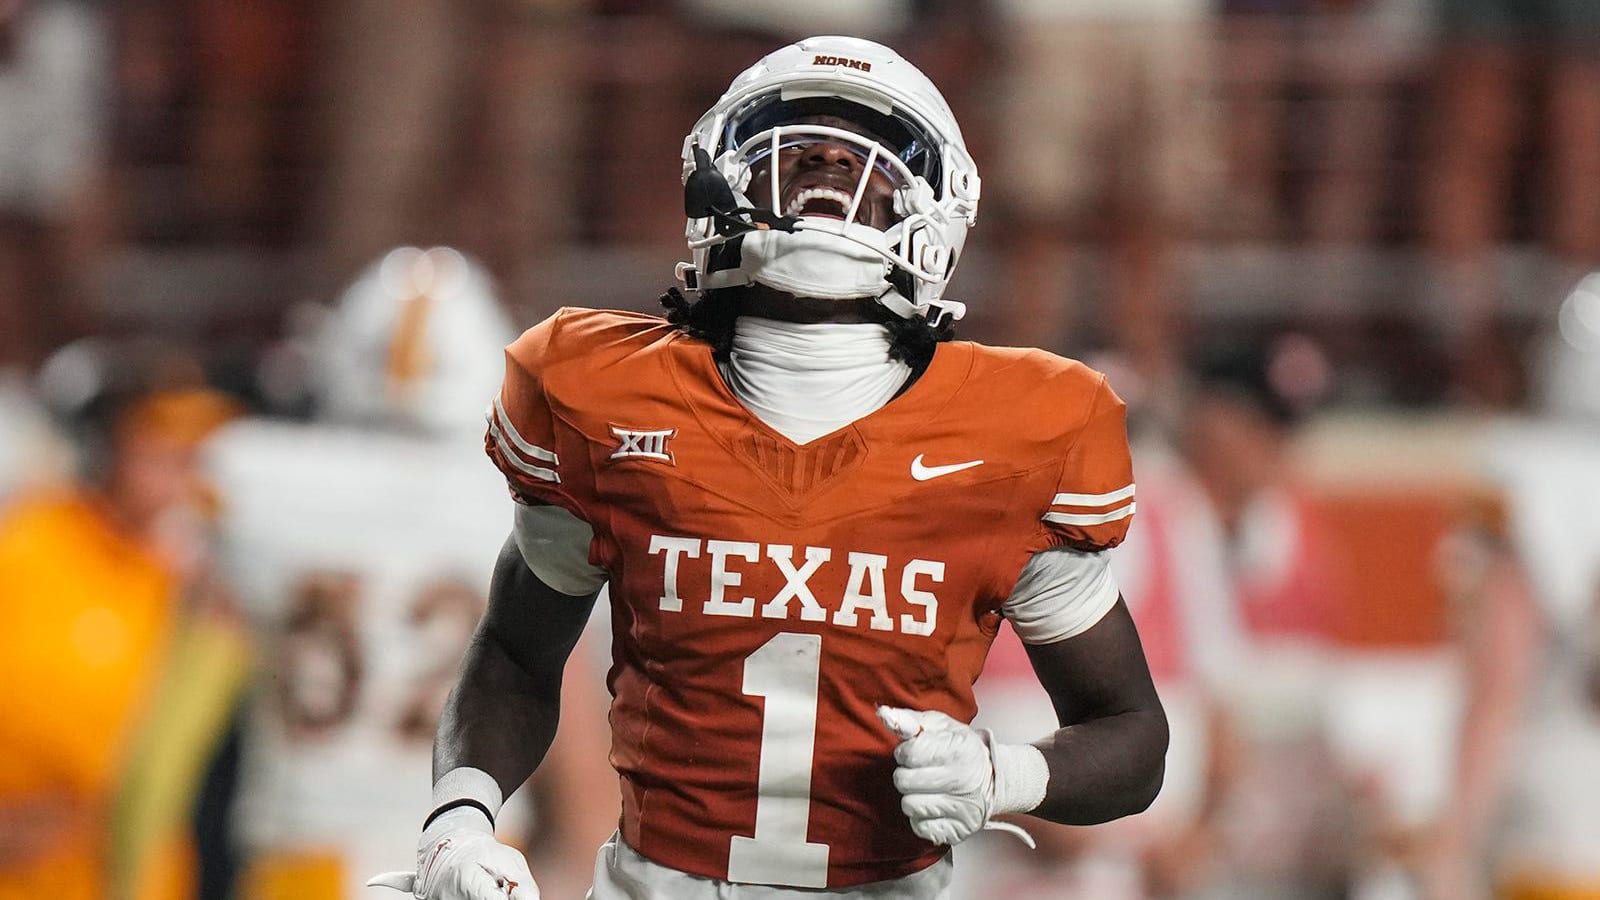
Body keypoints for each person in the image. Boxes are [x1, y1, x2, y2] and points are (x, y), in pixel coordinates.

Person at [371, 36, 1169, 899]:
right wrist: (458, 826)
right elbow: (515, 658)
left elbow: (1131, 737)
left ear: (938, 212)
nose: (830, 159)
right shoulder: (608, 396)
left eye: (870, 151)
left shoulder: (1013, 434)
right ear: (720, 181)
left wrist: (1003, 775)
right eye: (797, 140)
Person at [205, 246, 614, 899]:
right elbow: (587, 794)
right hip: (472, 870)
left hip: (299, 874)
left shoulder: (259, 489)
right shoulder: (526, 511)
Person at [0, 339, 246, 900]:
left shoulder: (195, 584)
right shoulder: (24, 549)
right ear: (99, 451)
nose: (187, 476)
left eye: (194, 455)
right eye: (159, 451)